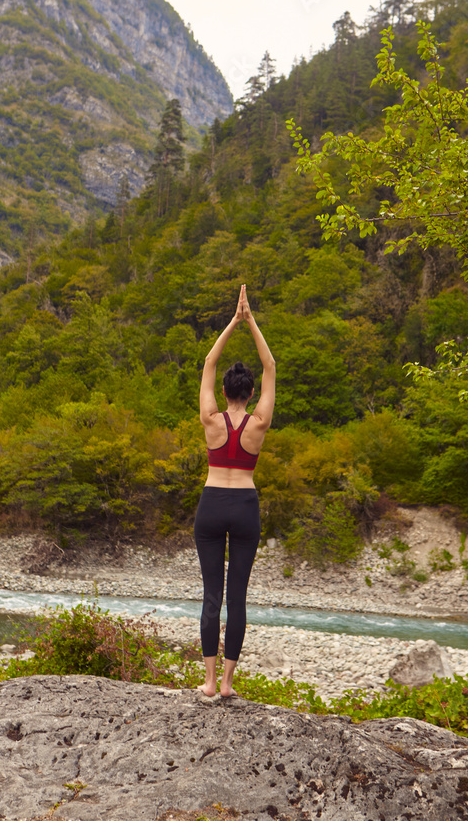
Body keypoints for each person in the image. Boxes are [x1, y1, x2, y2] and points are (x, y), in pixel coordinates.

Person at [195, 284, 276, 697]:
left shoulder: (211, 419)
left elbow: (210, 361)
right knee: (237, 597)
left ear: (225, 392)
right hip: (245, 505)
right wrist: (252, 321)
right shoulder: (259, 423)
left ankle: (208, 683)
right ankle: (228, 684)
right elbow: (270, 365)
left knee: (212, 594)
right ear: (249, 393)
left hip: (212, 504)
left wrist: (232, 320)